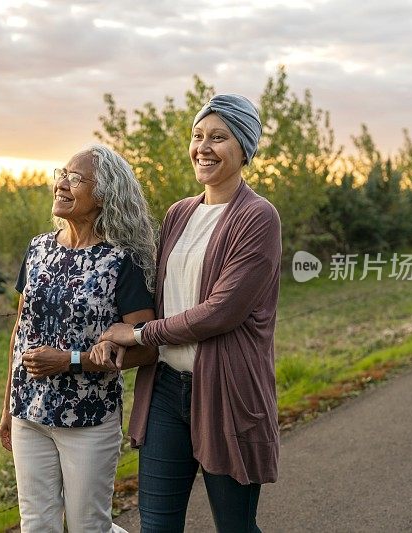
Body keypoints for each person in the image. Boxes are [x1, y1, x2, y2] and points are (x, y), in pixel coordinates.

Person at [99, 94, 282, 533]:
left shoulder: (258, 217)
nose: (203, 147)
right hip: (164, 390)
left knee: (234, 526)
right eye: (198, 135)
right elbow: (157, 291)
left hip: (225, 391)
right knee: (157, 526)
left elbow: (219, 312)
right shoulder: (179, 213)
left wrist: (139, 334)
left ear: (244, 149)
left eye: (218, 138)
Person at [0, 144, 158, 533]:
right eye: (62, 174)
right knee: (36, 524)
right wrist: (7, 408)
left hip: (88, 419)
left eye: (76, 178)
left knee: (88, 526)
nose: (61, 184)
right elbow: (21, 330)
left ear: (105, 194)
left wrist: (71, 360)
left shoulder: (123, 261)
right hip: (28, 414)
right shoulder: (38, 249)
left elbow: (149, 348)